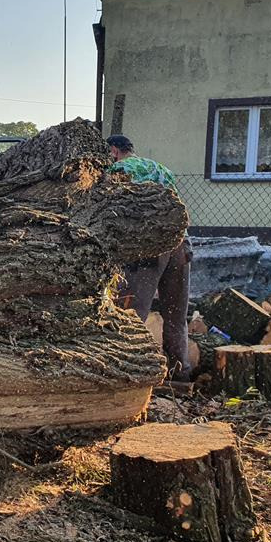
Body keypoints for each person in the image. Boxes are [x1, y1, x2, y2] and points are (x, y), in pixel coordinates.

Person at [107, 134, 192, 381]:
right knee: (176, 313)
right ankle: (180, 373)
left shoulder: (117, 170)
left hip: (149, 248)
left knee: (132, 312)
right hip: (181, 244)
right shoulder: (161, 169)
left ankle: (127, 370)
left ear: (113, 150)